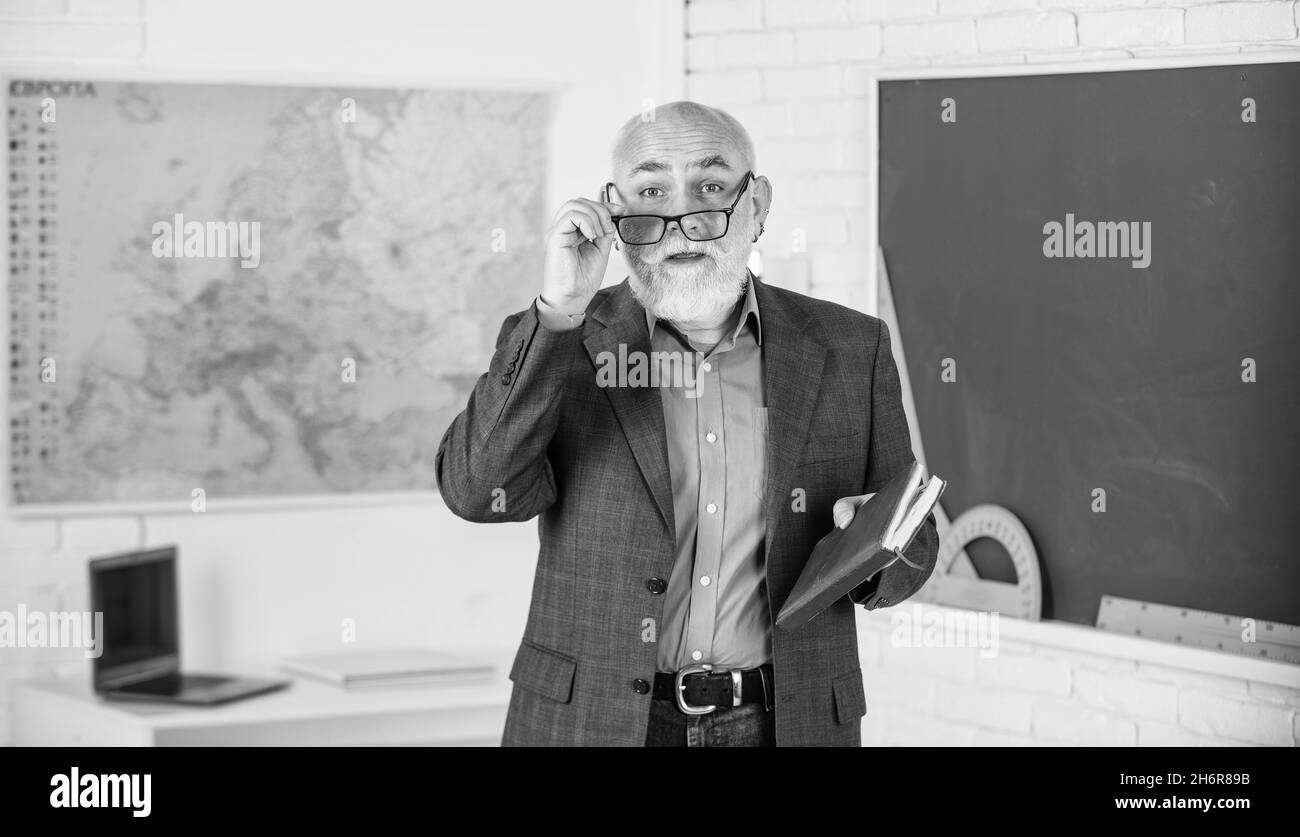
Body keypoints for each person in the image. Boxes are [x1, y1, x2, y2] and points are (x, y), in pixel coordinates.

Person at [436, 101, 938, 746]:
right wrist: (560, 309)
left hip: (785, 721)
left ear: (757, 205)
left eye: (710, 187)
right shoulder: (563, 338)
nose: (682, 222)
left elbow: (914, 543)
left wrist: (871, 546)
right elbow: (476, 491)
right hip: (595, 720)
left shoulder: (851, 346)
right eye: (651, 191)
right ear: (615, 213)